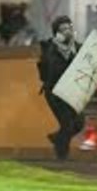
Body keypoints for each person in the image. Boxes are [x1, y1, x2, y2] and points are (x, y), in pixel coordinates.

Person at [37, 16, 85, 160]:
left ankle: (57, 138)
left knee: (79, 123)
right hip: (55, 92)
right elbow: (53, 71)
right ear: (56, 32)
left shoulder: (77, 47)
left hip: (71, 92)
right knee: (67, 124)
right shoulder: (51, 49)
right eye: (63, 29)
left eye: (69, 27)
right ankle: (61, 157)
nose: (67, 32)